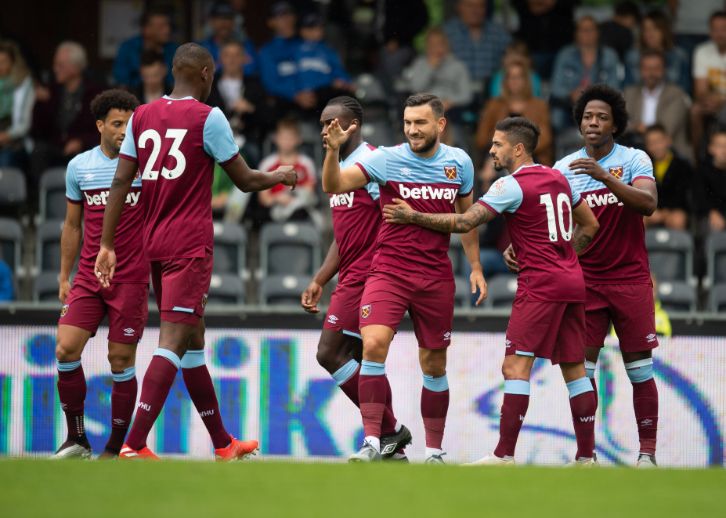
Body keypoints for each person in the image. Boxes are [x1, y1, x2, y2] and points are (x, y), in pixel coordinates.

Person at [94, 43, 297, 459]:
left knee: (192, 341)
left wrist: (107, 243)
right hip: (189, 245)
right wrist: (280, 174)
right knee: (173, 339)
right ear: (206, 73)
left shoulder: (142, 116)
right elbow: (243, 180)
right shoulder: (210, 117)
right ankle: (133, 443)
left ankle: (223, 443)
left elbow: (119, 183)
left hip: (152, 242)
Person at [382, 116, 600, 465]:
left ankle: (503, 455)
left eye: (497, 144)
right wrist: (562, 253)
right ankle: (587, 458)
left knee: (515, 367)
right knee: (575, 369)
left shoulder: (509, 185)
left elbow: (466, 220)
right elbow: (590, 225)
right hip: (572, 281)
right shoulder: (559, 178)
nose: (491, 150)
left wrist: (413, 216)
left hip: (541, 285)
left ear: (517, 148)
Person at [322, 93, 486, 463]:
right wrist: (332, 152)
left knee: (433, 364)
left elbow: (468, 220)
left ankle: (434, 451)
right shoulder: (386, 159)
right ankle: (373, 443)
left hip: (435, 276)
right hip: (389, 271)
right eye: (408, 122)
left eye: (420, 123)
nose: (412, 130)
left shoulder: (459, 163)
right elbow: (333, 185)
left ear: (440, 125)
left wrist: (475, 266)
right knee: (374, 344)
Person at [507, 84, 660, 467]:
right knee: (581, 369)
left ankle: (647, 455)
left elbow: (649, 204)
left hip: (630, 279)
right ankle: (585, 455)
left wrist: (605, 177)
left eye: (602, 117)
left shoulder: (635, 159)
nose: (593, 122)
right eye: (588, 116)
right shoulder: (562, 169)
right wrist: (523, 245)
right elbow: (547, 220)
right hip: (585, 282)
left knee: (639, 368)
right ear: (579, 122)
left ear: (615, 124)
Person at [300, 96, 411, 461]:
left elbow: (392, 214)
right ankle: (391, 445)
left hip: (372, 274)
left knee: (329, 352)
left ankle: (390, 430)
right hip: (349, 274)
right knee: (363, 363)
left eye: (334, 123)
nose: (325, 130)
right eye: (322, 123)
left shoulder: (372, 162)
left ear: (354, 126)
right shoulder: (339, 166)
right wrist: (320, 278)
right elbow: (343, 232)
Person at [53, 89, 143, 459]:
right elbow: (72, 226)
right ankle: (77, 439)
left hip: (130, 277)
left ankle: (115, 446)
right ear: (100, 126)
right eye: (117, 124)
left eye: (130, 124)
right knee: (65, 349)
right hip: (89, 278)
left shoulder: (144, 167)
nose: (124, 131)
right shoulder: (79, 167)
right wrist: (64, 275)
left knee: (120, 361)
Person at [29, 41, 102, 190]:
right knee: (39, 151)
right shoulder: (51, 91)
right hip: (56, 147)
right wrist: (42, 104)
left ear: (75, 68)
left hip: (83, 149)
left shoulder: (95, 93)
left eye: (60, 65)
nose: (55, 69)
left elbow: (102, 129)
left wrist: (81, 141)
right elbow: (37, 131)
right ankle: (38, 204)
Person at [475, 59, 553, 165]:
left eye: (519, 77)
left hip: (531, 156)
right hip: (497, 156)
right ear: (505, 81)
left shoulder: (539, 106)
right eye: (511, 77)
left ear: (526, 80)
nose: (514, 81)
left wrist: (516, 152)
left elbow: (545, 139)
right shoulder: (493, 105)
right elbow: (481, 139)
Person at [550, 16, 621, 132]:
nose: (587, 34)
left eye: (590, 30)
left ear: (598, 33)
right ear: (576, 34)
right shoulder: (565, 54)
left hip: (600, 107)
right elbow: (555, 87)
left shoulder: (609, 55)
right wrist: (571, 94)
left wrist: (592, 96)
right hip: (570, 107)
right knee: (557, 115)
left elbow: (615, 88)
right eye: (583, 30)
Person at [623, 49, 692, 161]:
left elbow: (666, 129)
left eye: (656, 68)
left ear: (664, 70)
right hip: (635, 147)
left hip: (671, 151)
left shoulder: (676, 94)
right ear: (640, 70)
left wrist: (636, 127)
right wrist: (636, 127)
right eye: (647, 68)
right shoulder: (629, 93)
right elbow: (619, 125)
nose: (651, 73)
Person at [256, 117, 318, 223]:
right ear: (276, 138)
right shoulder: (267, 164)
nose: (287, 142)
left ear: (299, 140)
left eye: (290, 138)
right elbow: (263, 198)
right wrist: (278, 198)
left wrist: (293, 200)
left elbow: (309, 192)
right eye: (283, 138)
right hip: (274, 211)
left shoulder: (306, 164)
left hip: (300, 211)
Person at [401, 27, 473, 114]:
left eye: (439, 44)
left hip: (452, 109)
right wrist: (430, 67)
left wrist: (449, 102)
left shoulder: (458, 66)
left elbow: (466, 95)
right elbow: (415, 88)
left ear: (447, 45)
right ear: (426, 46)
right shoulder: (419, 63)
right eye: (432, 44)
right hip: (425, 108)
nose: (436, 48)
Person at [443, 0, 511, 86]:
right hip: (455, 92)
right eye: (469, 5)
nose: (475, 10)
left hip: (491, 91)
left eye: (480, 6)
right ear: (459, 7)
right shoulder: (446, 33)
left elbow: (513, 61)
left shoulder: (499, 34)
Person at [624, 10, 690, 94]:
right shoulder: (632, 56)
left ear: (664, 31)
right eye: (646, 29)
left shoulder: (679, 56)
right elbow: (628, 89)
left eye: (655, 29)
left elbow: (684, 89)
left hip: (672, 101)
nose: (649, 34)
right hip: (639, 103)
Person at [691, 11, 726, 162]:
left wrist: (722, 100)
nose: (719, 33)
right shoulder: (702, 51)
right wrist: (711, 100)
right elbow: (700, 90)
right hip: (712, 101)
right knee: (695, 111)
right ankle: (699, 160)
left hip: (723, 101)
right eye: (715, 29)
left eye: (723, 28)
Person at [113, 8, 177, 89]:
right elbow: (121, 80)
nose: (167, 30)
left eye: (168, 25)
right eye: (161, 27)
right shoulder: (128, 48)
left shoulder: (173, 49)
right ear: (146, 29)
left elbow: (176, 81)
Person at [643, 124, 692, 230]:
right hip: (653, 210)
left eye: (659, 141)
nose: (656, 146)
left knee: (678, 219)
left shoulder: (682, 165)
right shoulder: (643, 165)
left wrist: (666, 212)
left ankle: (678, 246)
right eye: (651, 143)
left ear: (668, 140)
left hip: (675, 209)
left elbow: (683, 194)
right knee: (640, 218)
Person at [0, 40, 34, 167]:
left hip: (15, 141)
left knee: (5, 159)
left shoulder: (23, 85)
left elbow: (25, 125)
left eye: (4, 62)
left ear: (13, 63)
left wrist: (6, 136)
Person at [698, 129, 726, 232]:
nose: (724, 150)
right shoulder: (703, 171)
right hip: (710, 215)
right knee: (713, 227)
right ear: (711, 148)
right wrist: (711, 212)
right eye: (720, 146)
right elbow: (699, 198)